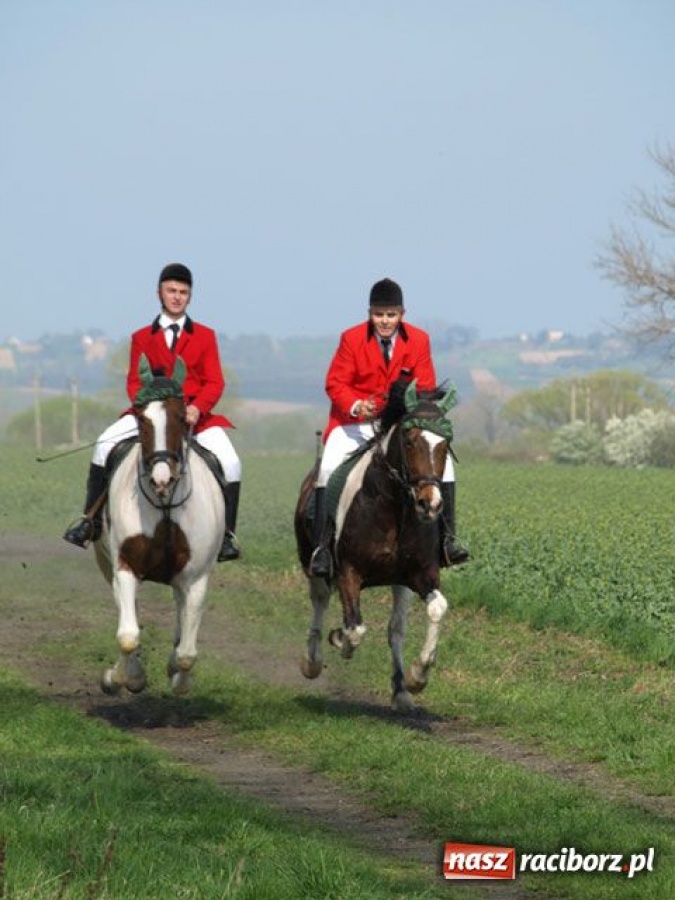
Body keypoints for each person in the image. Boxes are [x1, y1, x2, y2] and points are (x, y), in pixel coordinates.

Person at [63, 263, 242, 562]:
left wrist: (198, 408)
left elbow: (214, 381)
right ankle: (90, 521)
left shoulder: (206, 336)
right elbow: (134, 381)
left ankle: (226, 536)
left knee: (232, 462)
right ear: (159, 292)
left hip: (195, 418)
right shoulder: (142, 337)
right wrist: (148, 408)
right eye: (172, 290)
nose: (177, 297)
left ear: (190, 297)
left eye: (183, 292)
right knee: (104, 444)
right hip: (150, 418)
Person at [309, 276, 469, 577]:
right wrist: (357, 405)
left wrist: (403, 414)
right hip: (355, 424)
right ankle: (323, 548)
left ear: (402, 314)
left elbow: (426, 386)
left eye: (391, 315)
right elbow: (336, 382)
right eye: (379, 314)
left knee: (445, 466)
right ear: (369, 313)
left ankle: (447, 541)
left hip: (397, 426)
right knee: (328, 469)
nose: (385, 321)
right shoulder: (351, 338)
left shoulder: (419, 340)